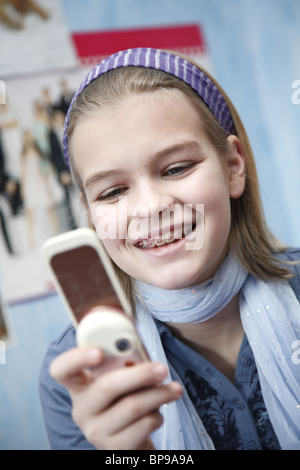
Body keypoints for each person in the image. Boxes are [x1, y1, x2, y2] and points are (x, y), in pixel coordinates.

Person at [39, 48, 300, 451]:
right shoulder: (78, 373)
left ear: (233, 167)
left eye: (176, 168)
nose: (151, 207)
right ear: (91, 213)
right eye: (113, 191)